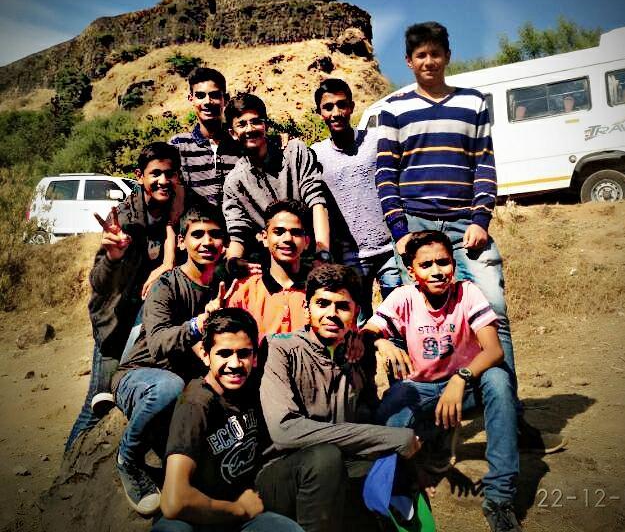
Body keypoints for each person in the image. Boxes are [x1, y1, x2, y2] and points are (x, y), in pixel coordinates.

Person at [375, 21, 565, 454]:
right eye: (420, 55)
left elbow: (484, 165)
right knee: (414, 323)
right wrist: (401, 232)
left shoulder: (472, 102)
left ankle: (511, 419)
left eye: (435, 53)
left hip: (467, 226)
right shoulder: (393, 109)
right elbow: (385, 173)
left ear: (447, 56)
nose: (429, 61)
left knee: (494, 316)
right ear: (409, 61)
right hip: (416, 228)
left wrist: (481, 218)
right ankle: (419, 423)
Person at [362, 230, 520, 532]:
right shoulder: (404, 297)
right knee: (388, 419)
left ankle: (500, 498)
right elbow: (368, 332)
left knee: (499, 381)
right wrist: (382, 342)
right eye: (426, 265)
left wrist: (460, 379)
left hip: (465, 388)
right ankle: (409, 474)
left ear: (453, 265)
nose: (436, 271)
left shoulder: (467, 292)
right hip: (420, 390)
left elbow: (494, 350)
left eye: (443, 262)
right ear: (412, 272)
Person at [256, 264, 421, 532]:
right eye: (322, 304)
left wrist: (375, 341)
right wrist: (389, 437)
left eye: (342, 306)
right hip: (284, 471)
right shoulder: (282, 349)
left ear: (356, 312)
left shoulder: (357, 353)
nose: (331, 314)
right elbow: (284, 431)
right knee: (326, 457)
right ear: (307, 308)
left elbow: (365, 415)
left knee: (394, 467)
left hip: (343, 464)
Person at [111, 205, 227, 515]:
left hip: (187, 385)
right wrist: (199, 324)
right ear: (181, 242)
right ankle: (128, 458)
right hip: (142, 375)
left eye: (215, 235)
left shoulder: (222, 283)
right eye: (197, 234)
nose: (207, 242)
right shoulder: (165, 286)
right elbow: (159, 343)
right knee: (169, 387)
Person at [65, 142, 181, 451]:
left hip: (150, 329)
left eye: (170, 174)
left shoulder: (176, 211)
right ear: (139, 176)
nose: (163, 181)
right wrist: (113, 257)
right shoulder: (125, 220)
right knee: (96, 407)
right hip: (116, 327)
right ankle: (67, 473)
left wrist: (169, 260)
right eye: (155, 174)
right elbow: (100, 283)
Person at [153, 308, 303, 532]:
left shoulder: (255, 386)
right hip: (199, 516)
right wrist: (238, 509)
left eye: (243, 353)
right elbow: (174, 502)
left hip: (244, 512)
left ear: (255, 357)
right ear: (205, 355)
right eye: (224, 353)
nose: (234, 364)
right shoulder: (195, 404)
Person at [311, 78, 401, 322]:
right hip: (349, 256)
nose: (336, 112)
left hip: (389, 249)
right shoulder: (316, 154)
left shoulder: (375, 140)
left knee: (397, 318)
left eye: (342, 105)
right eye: (328, 107)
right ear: (319, 112)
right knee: (357, 321)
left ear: (351, 106)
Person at [222, 93, 330, 276]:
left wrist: (323, 252)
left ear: (266, 125)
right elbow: (238, 233)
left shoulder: (295, 152)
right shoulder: (234, 182)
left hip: (311, 257)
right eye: (242, 124)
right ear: (232, 133)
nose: (250, 129)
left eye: (256, 122)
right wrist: (233, 262)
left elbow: (317, 202)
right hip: (271, 266)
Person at [227, 199, 310, 340]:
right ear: (265, 238)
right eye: (279, 232)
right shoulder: (244, 291)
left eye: (296, 233)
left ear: (306, 242)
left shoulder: (319, 291)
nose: (287, 238)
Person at [169, 67, 242, 207]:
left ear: (225, 99)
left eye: (214, 95)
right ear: (191, 99)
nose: (207, 101)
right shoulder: (178, 145)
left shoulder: (239, 143)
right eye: (200, 95)